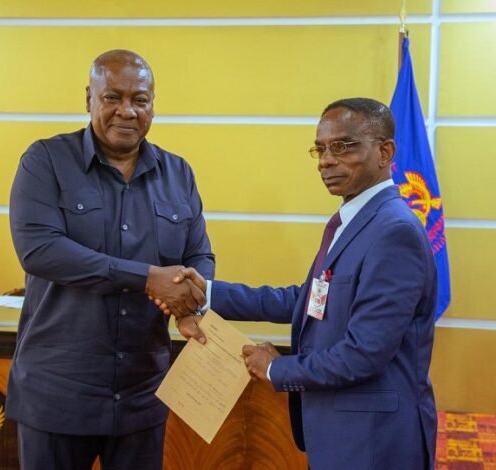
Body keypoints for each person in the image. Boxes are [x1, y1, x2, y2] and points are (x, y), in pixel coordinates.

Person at [165, 98, 438, 469]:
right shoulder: (354, 221)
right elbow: (308, 300)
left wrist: (277, 369)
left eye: (343, 146)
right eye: (321, 149)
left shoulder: (394, 232)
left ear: (384, 152)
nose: (326, 160)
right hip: (339, 432)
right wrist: (207, 293)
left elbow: (365, 354)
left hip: (374, 441)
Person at [7, 49, 213, 469]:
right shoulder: (45, 161)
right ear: (89, 98)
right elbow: (40, 250)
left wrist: (194, 305)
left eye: (140, 100)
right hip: (58, 395)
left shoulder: (179, 173)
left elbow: (198, 253)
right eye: (112, 97)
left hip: (142, 396)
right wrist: (148, 278)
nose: (127, 111)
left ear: (153, 104)